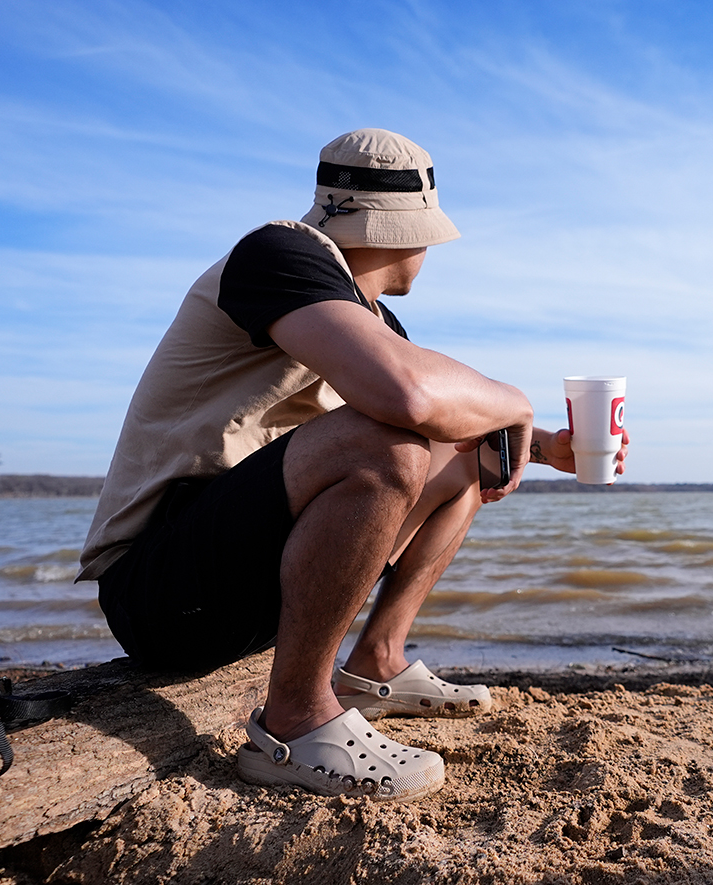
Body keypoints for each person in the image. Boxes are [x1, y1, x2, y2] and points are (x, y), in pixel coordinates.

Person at [77, 129, 628, 802]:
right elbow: (405, 395)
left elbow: (435, 411)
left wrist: (542, 446)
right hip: (158, 590)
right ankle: (297, 721)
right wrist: (513, 399)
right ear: (400, 229)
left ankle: (375, 664)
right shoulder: (277, 255)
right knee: (390, 437)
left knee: (465, 451)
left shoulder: (371, 318)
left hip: (237, 579)